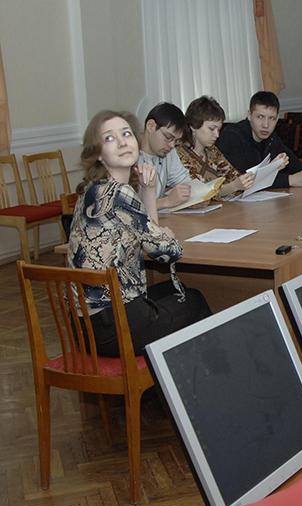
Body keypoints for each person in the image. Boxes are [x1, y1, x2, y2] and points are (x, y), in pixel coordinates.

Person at [68, 110, 211, 357]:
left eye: (126, 134)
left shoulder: (92, 189)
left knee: (175, 290)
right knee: (194, 300)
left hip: (87, 327)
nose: (122, 142)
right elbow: (167, 252)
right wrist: (166, 236)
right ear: (98, 153)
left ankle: (168, 378)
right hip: (112, 329)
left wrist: (149, 191)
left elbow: (149, 237)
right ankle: (196, 377)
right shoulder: (118, 193)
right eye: (110, 138)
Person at [216, 91, 302, 188]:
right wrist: (289, 180)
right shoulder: (232, 136)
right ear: (249, 115)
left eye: (271, 118)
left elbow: (293, 163)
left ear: (277, 119)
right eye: (260, 117)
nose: (266, 125)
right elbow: (246, 179)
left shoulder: (271, 138)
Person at [176, 96, 255, 197]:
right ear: (193, 126)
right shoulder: (179, 154)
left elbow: (232, 176)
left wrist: (246, 180)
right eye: (212, 129)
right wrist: (233, 186)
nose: (217, 135)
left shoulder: (212, 150)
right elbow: (199, 194)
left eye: (218, 130)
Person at [137, 103, 192, 209]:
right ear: (151, 126)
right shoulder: (129, 154)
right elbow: (127, 208)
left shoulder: (169, 152)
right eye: (168, 137)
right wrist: (166, 202)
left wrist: (194, 197)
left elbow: (185, 183)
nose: (172, 145)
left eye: (176, 141)